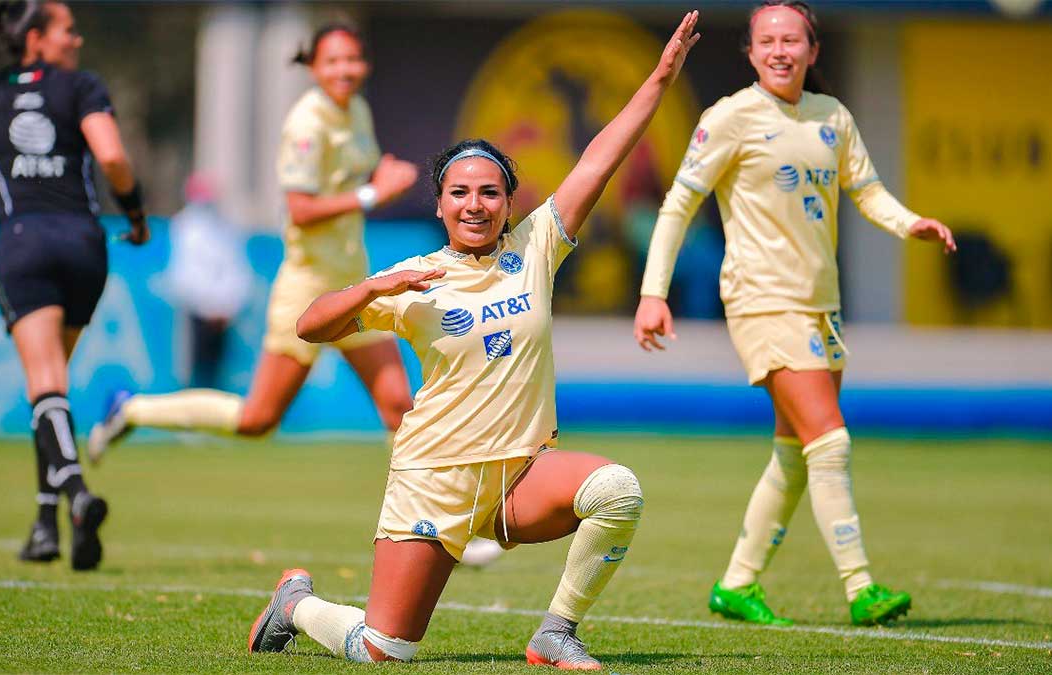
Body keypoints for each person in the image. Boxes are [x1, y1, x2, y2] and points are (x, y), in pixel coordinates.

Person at [246, 13, 702, 669]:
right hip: (433, 477)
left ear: (510, 202)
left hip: (520, 472)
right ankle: (295, 604)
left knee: (617, 490)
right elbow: (310, 323)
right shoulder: (414, 280)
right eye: (460, 192)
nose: (475, 204)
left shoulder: (536, 245)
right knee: (385, 648)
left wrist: (659, 79)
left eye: (490, 192)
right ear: (440, 204)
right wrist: (375, 288)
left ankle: (554, 634)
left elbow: (601, 156)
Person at [634, 0, 956, 627]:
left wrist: (908, 222)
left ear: (813, 50)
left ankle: (737, 584)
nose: (780, 50)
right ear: (751, 53)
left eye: (792, 39)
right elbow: (677, 203)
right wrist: (654, 292)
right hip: (761, 301)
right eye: (767, 40)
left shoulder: (832, 116)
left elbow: (865, 188)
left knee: (794, 451)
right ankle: (862, 588)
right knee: (829, 440)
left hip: (820, 306)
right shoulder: (729, 118)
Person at [87, 24, 418, 457]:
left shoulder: (356, 110)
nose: (345, 69)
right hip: (310, 289)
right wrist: (376, 192)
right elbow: (301, 209)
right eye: (333, 60)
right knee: (257, 419)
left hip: (353, 282)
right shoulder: (307, 122)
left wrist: (382, 177)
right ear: (314, 67)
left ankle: (421, 521)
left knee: (400, 410)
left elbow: (348, 183)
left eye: (353, 59)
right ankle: (131, 410)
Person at [0, 0, 149, 570]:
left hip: (23, 244)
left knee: (45, 387)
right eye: (69, 30)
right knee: (52, 392)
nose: (78, 40)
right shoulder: (82, 87)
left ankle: (76, 492)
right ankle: (47, 524)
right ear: (37, 39)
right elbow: (113, 157)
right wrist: (136, 213)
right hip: (84, 244)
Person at [165, 172, 252, 388]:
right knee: (193, 368)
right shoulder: (184, 227)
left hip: (222, 315)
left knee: (218, 371)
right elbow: (186, 275)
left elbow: (236, 270)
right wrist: (209, 307)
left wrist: (227, 307)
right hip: (197, 313)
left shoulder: (225, 227)